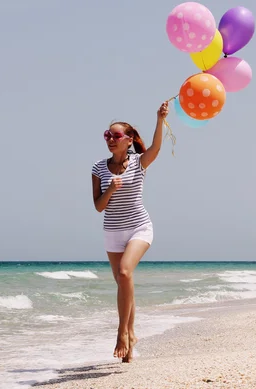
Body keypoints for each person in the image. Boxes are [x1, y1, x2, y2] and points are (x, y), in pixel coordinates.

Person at [91, 101, 169, 363]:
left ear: (129, 139)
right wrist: (111, 189)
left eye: (116, 136)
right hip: (112, 231)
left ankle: (122, 332)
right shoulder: (98, 168)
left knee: (125, 272)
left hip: (139, 227)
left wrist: (159, 119)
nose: (110, 140)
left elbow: (157, 147)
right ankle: (132, 337)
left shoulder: (139, 162)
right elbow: (99, 206)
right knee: (123, 285)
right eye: (107, 136)